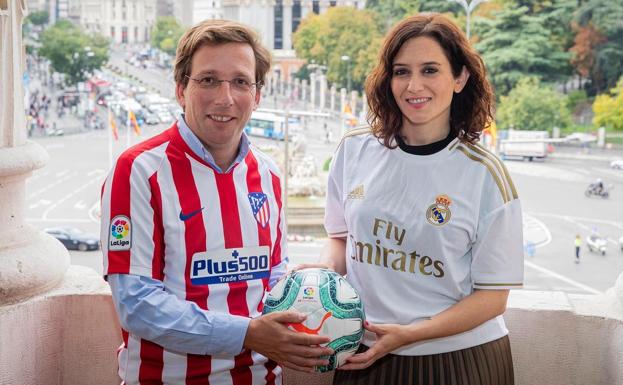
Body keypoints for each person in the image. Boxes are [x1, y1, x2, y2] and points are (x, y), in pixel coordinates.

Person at [100, 20, 332, 385]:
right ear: (180, 89)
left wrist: (323, 309)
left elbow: (272, 277)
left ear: (256, 95)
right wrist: (248, 333)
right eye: (208, 80)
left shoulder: (268, 174)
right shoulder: (139, 171)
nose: (225, 98)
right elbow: (137, 305)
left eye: (240, 82)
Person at [320, 13, 523, 384]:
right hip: (363, 353)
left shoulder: (485, 173)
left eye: (430, 70)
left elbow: (493, 298)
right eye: (401, 71)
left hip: (457, 361)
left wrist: (409, 334)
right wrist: (320, 279)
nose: (414, 85)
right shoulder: (354, 150)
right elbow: (340, 238)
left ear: (459, 78)